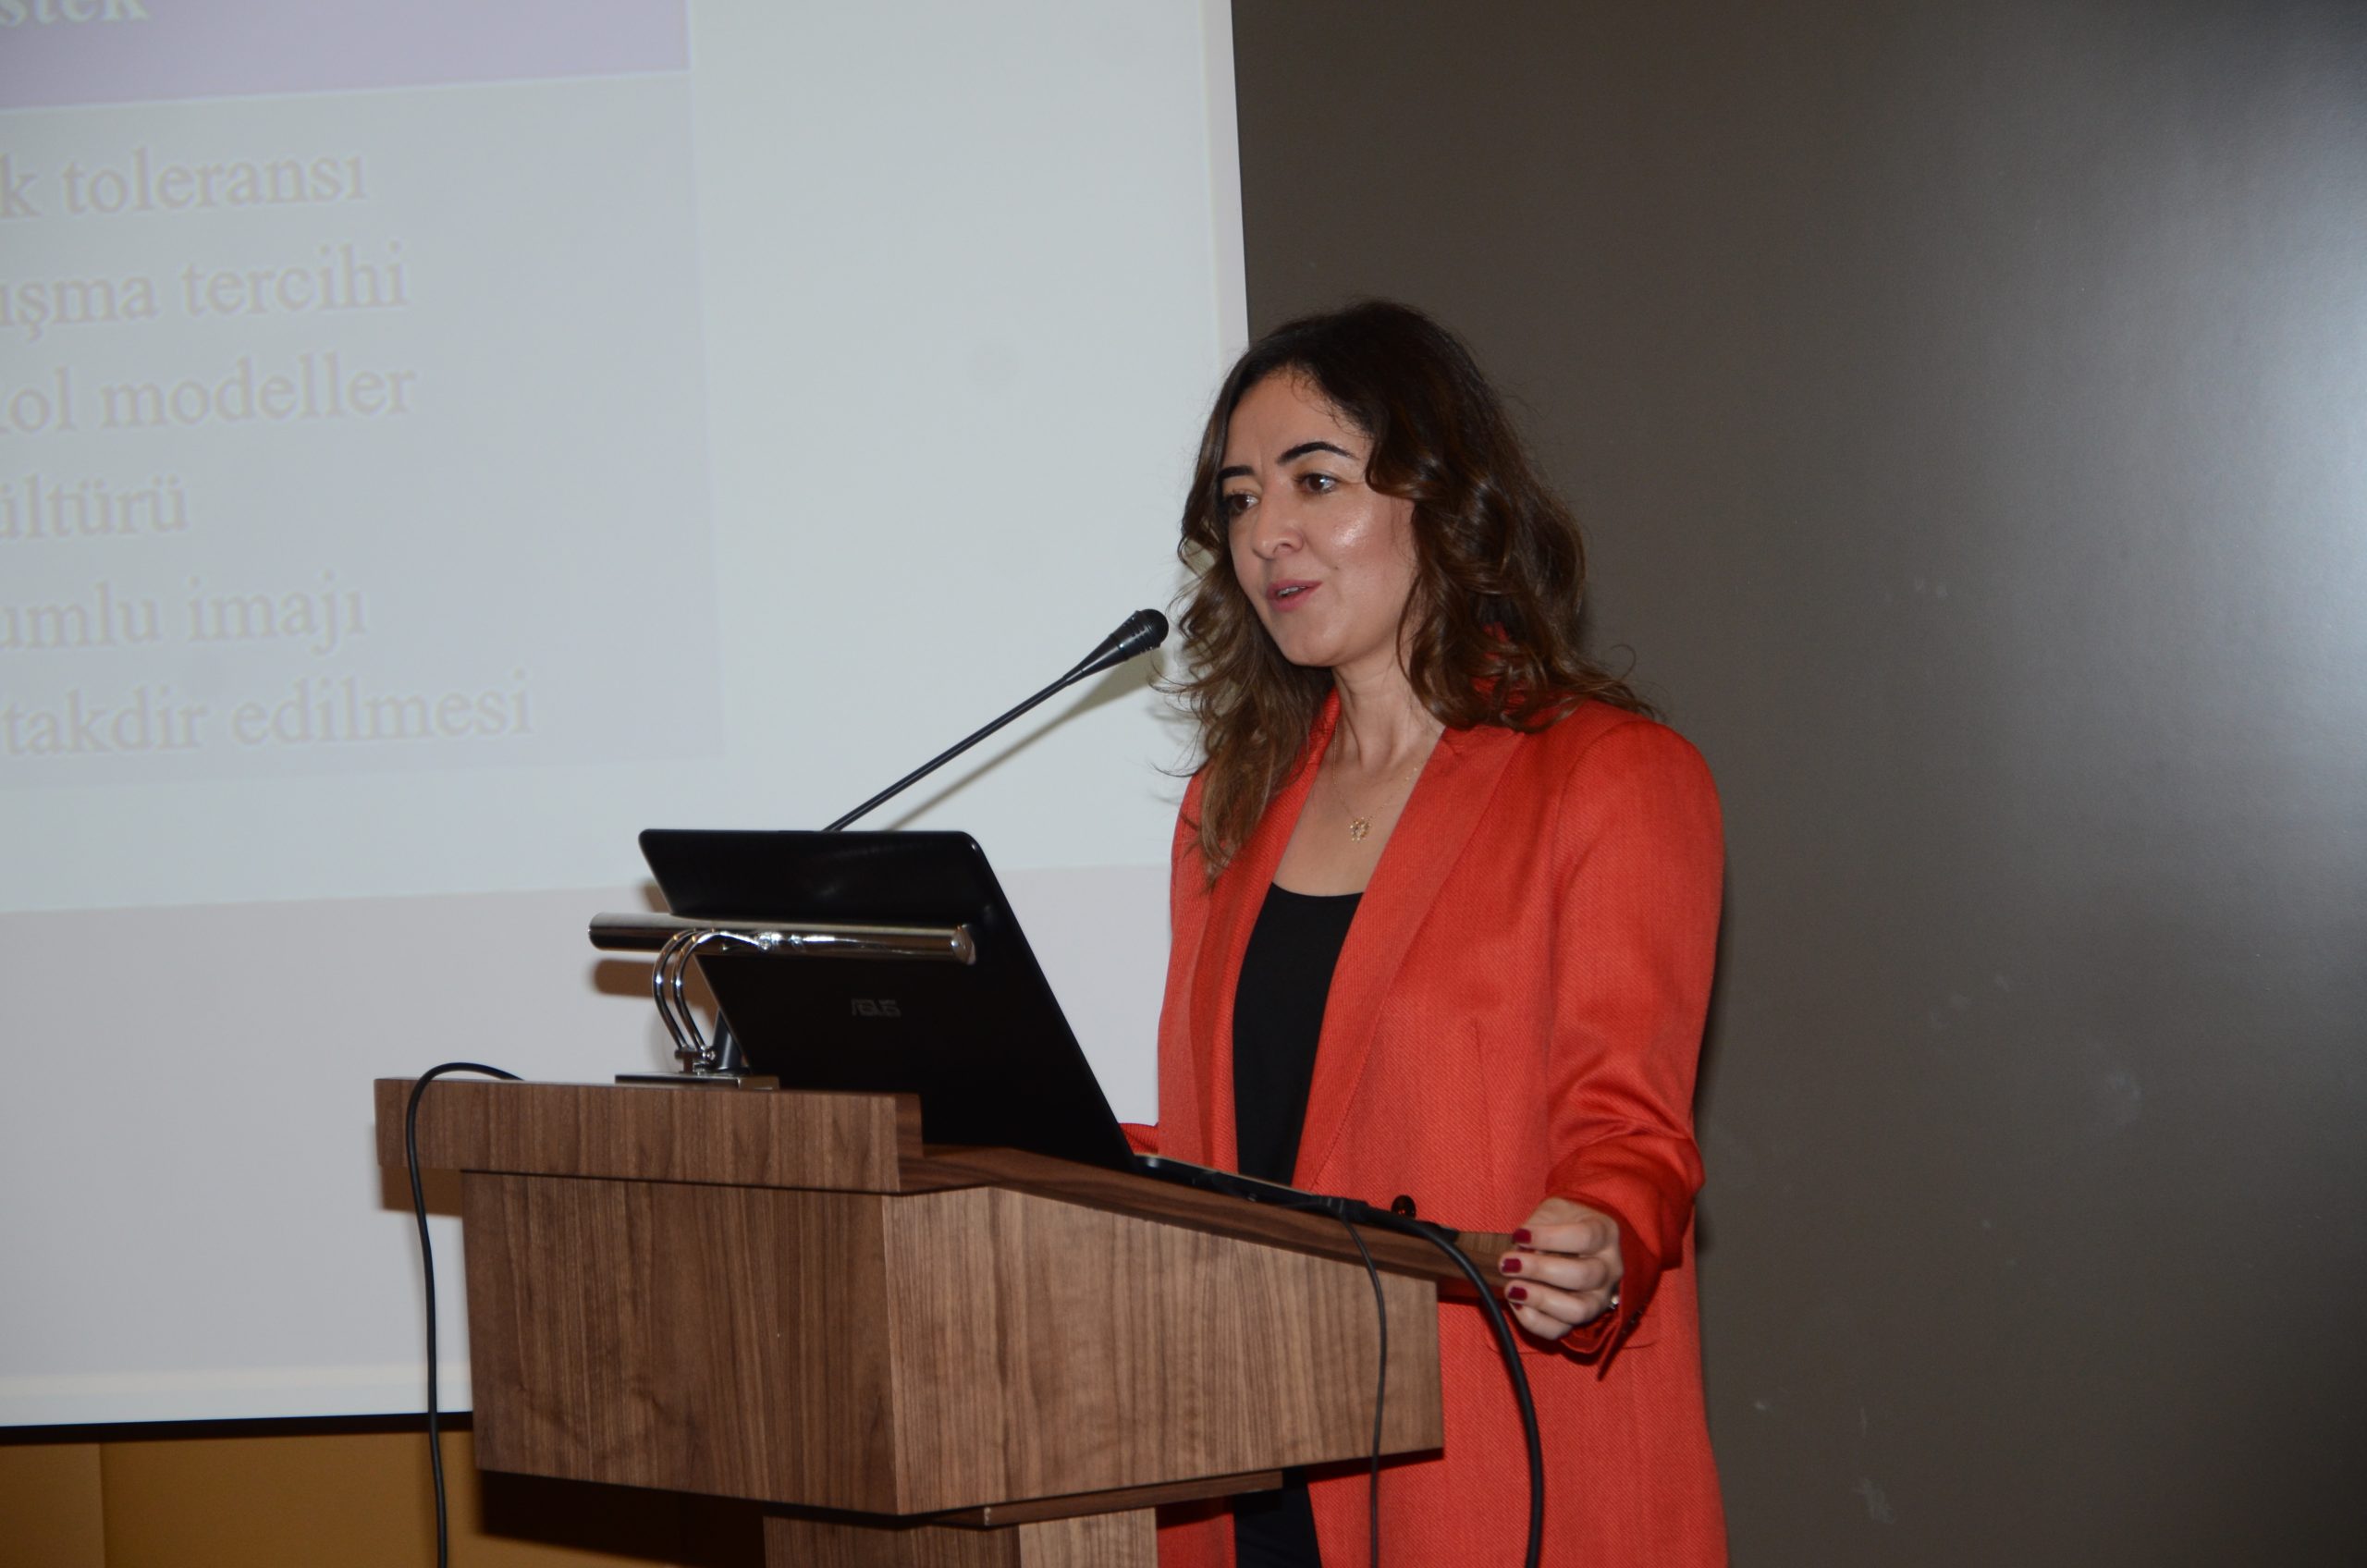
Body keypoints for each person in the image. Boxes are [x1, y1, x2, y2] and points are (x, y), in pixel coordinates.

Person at [1131, 301, 1727, 1566]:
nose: (1267, 533)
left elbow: (1631, 1133)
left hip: (1486, 1458)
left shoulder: (1609, 778)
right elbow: (1222, 1146)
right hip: (1249, 1460)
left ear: (1441, 499)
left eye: (1316, 481)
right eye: (1240, 499)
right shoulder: (1228, 805)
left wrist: (1603, 1234)